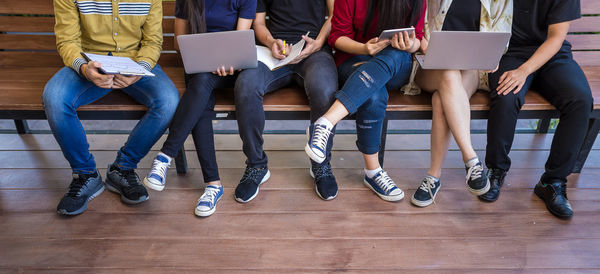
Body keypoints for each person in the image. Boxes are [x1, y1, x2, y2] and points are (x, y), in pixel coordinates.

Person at [45, 0, 179, 215]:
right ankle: (85, 174)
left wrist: (141, 68)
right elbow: (67, 41)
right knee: (54, 98)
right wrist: (84, 68)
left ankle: (123, 168)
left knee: (169, 101)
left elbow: (152, 41)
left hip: (135, 62)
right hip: (89, 63)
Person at [143, 0, 256, 217]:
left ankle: (166, 155)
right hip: (198, 65)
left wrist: (224, 59)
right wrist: (206, 55)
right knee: (201, 93)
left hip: (230, 69)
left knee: (199, 89)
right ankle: (212, 185)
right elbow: (179, 43)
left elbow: (239, 42)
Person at [306, 0, 426, 202]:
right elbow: (337, 37)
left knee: (394, 55)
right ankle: (373, 172)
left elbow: (418, 39)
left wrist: (410, 43)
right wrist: (365, 48)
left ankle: (325, 122)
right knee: (374, 92)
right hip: (354, 59)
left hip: (397, 63)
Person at [482, 0, 592, 219]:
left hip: (552, 54)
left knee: (580, 100)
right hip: (508, 53)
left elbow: (556, 38)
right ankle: (496, 171)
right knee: (506, 95)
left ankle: (552, 182)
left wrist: (524, 71)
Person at [233, 0, 338, 203]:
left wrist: (318, 42)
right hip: (275, 51)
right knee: (246, 86)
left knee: (324, 88)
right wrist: (272, 42)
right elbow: (260, 23)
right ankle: (256, 165)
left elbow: (334, 15)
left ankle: (321, 161)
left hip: (313, 50)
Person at [410, 0, 512, 207]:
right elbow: (417, 29)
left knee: (441, 100)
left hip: (470, 68)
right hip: (429, 65)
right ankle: (471, 159)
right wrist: (426, 46)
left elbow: (502, 34)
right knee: (448, 73)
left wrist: (491, 55)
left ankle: (433, 176)